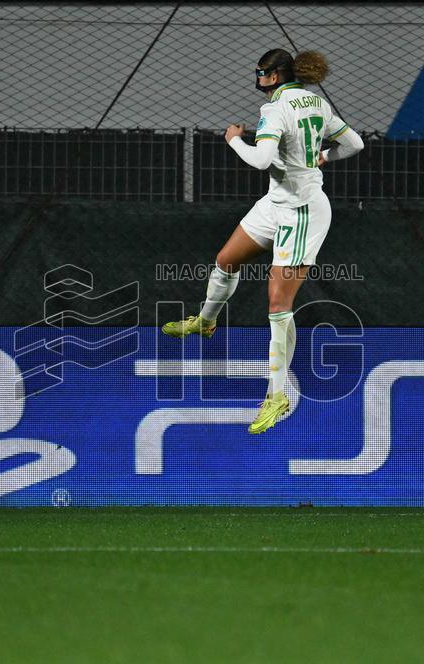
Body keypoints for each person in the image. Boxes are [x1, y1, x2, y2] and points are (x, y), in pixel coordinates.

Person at [161, 49, 364, 434]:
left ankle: (277, 394)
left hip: (302, 213)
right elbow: (355, 144)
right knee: (226, 260)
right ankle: (205, 323)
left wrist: (234, 139)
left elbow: (258, 160)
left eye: (260, 72)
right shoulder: (316, 101)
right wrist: (321, 156)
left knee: (277, 303)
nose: (257, 76)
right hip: (276, 203)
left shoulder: (273, 109)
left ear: (273, 75)